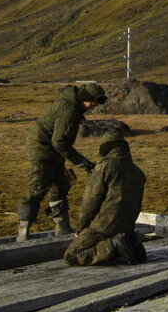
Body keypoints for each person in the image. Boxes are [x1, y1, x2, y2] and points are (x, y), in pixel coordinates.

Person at [16, 82, 107, 241]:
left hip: (53, 152)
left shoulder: (72, 107)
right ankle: (23, 234)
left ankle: (63, 228)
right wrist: (82, 162)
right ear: (84, 98)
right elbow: (60, 142)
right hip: (42, 151)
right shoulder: (69, 110)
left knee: (60, 187)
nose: (94, 106)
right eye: (92, 102)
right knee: (37, 187)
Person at [64, 131, 148, 265]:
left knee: (72, 255)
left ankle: (115, 245)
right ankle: (128, 243)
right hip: (126, 226)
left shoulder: (105, 166)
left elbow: (91, 200)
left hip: (104, 225)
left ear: (106, 148)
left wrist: (80, 228)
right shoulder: (138, 172)